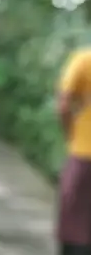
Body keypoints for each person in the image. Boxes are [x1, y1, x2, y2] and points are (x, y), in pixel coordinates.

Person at [57, 48, 91, 255]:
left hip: (84, 154)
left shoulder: (84, 60)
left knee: (74, 226)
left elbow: (63, 105)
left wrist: (70, 134)